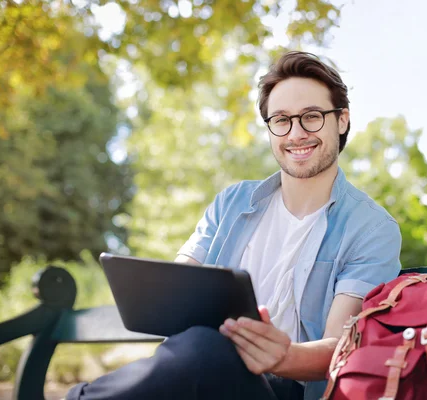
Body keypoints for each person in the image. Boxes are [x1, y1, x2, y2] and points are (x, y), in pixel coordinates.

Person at [66, 51, 402, 400]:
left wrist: (284, 355)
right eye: (282, 120)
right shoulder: (232, 203)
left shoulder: (371, 228)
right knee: (199, 346)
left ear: (342, 120)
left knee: (202, 348)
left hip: (282, 390)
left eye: (312, 117)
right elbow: (179, 283)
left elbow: (340, 348)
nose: (296, 133)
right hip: (196, 372)